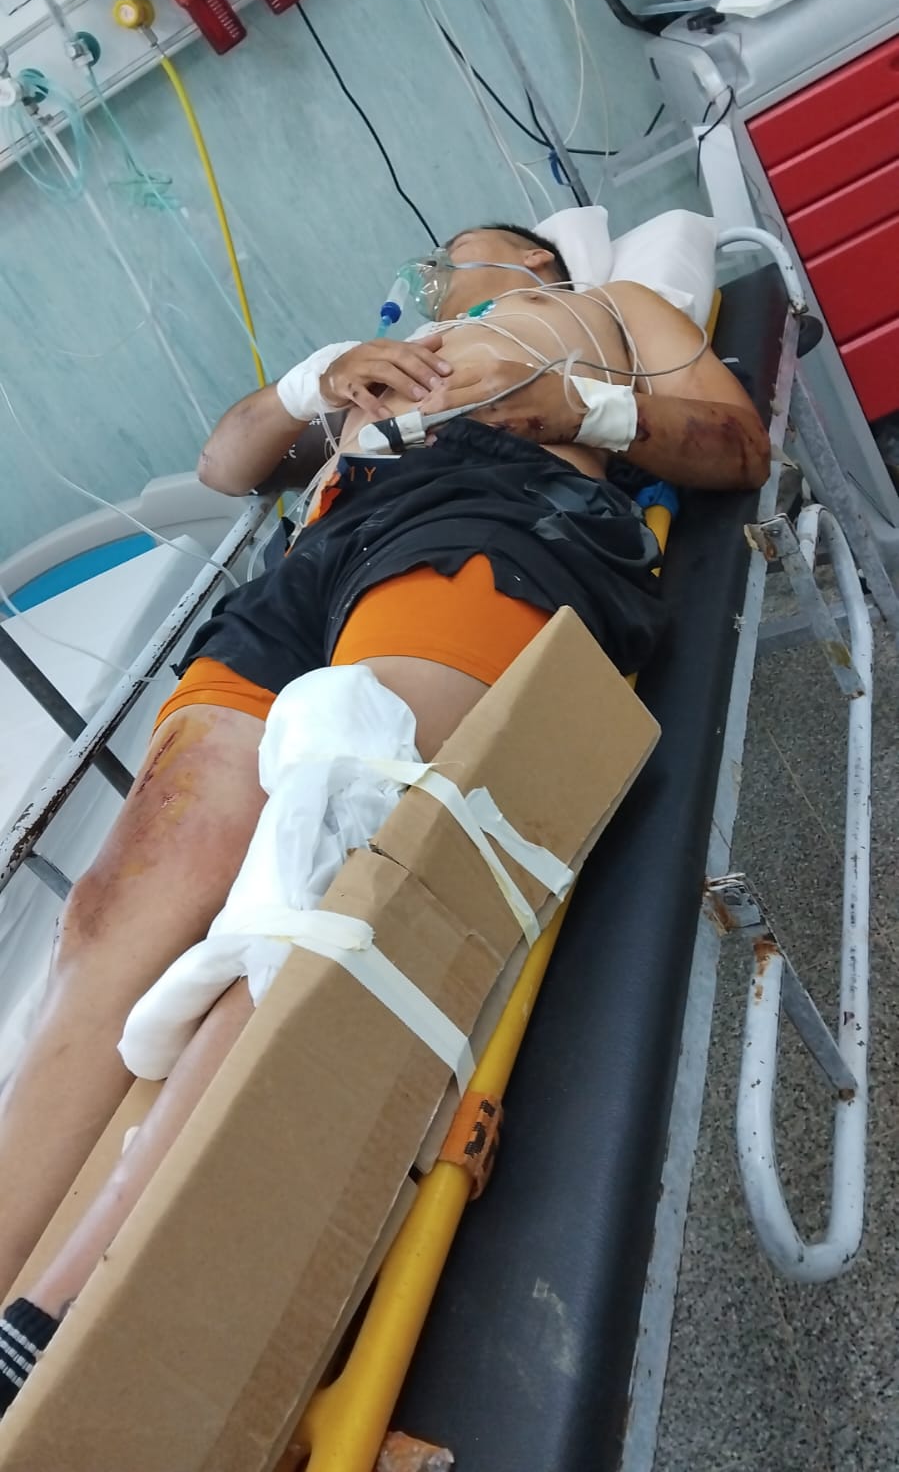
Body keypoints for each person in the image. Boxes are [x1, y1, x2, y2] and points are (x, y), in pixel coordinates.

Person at [0, 223, 769, 1410]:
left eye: (469, 249)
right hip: (317, 554)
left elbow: (735, 445)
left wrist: (572, 405)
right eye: (434, 264)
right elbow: (225, 466)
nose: (443, 271)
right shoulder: (378, 359)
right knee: (112, 914)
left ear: (539, 264)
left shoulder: (610, 307)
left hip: (498, 511)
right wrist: (318, 381)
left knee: (331, 823)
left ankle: (58, 1323)